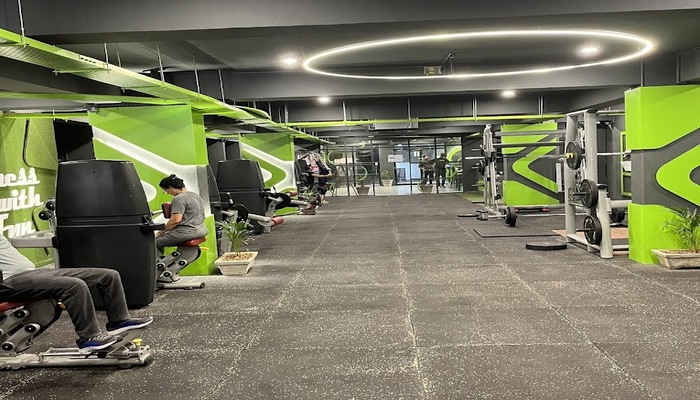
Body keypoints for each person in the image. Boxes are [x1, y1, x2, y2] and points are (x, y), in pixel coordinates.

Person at [0, 235, 153, 352]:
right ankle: (89, 337)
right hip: (9, 282)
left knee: (108, 275)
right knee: (74, 286)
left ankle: (119, 321)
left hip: (33, 272)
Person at [157, 174, 209, 256]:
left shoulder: (178, 199)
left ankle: (158, 263)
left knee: (153, 243)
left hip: (186, 232)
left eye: (166, 190)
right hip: (201, 230)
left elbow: (175, 220)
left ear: (171, 187)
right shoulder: (195, 196)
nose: (167, 193)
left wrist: (160, 232)